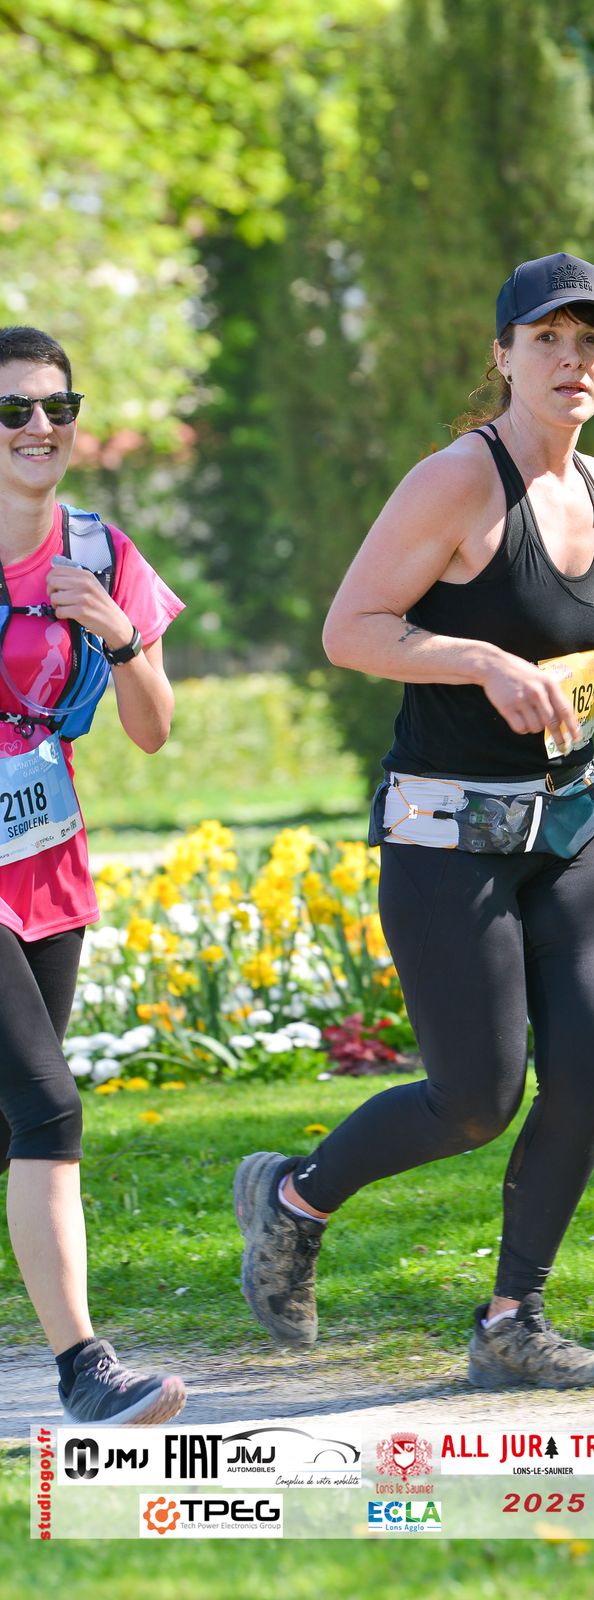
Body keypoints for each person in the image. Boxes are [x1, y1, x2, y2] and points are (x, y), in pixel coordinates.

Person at [234, 253, 594, 1387]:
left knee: (588, 1070)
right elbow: (353, 629)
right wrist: (481, 662)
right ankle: (294, 1197)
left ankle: (512, 1322)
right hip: (447, 834)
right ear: (502, 354)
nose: (571, 360)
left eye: (591, 341)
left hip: (568, 824)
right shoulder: (457, 479)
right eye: (546, 339)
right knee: (474, 1101)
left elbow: (564, 632)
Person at [0, 326, 186, 1424]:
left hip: (46, 864)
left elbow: (154, 730)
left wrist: (118, 638)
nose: (39, 427)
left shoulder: (101, 551)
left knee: (11, 1124)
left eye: (56, 408)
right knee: (47, 1106)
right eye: (13, 409)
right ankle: (84, 1366)